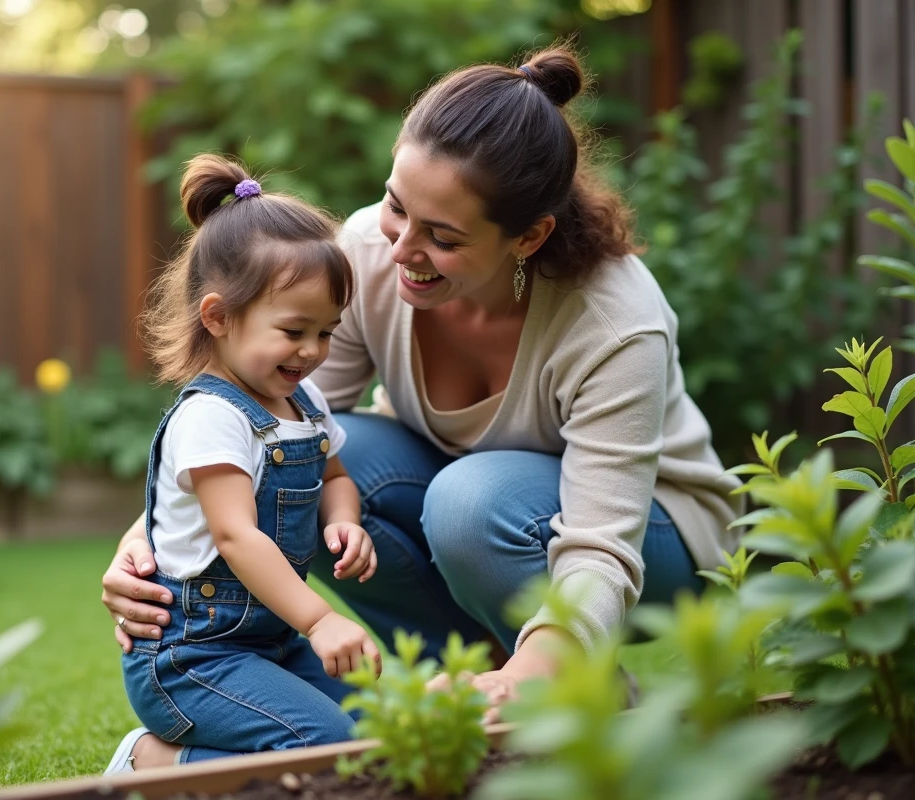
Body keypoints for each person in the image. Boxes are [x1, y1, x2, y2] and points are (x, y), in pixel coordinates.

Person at [102, 46, 742, 768]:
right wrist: (145, 537)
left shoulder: (614, 321)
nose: (400, 248)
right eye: (397, 207)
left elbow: (602, 542)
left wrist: (540, 664)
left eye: (443, 237)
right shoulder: (365, 253)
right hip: (467, 511)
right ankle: (484, 687)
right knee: (325, 466)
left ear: (528, 237)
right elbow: (275, 420)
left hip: (651, 537)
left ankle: (547, 674)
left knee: (472, 502)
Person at [103, 154, 384, 774]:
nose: (312, 351)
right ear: (218, 317)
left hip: (268, 643)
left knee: (373, 733)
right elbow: (234, 535)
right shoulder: (211, 417)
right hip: (191, 659)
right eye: (293, 330)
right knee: (318, 744)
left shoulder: (301, 401)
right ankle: (152, 763)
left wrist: (345, 521)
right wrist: (321, 619)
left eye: (327, 332)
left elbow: (336, 475)